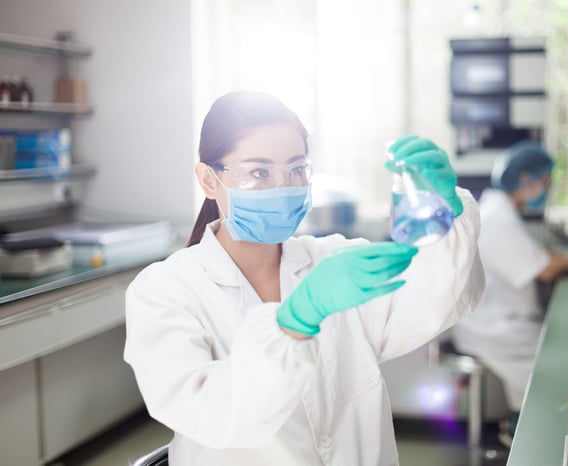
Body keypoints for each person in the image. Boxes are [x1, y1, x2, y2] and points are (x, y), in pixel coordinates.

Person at [123, 90, 485, 466]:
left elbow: (437, 299)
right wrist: (294, 321)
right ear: (209, 180)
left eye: (296, 169)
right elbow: (209, 415)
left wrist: (446, 211)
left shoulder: (334, 261)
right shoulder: (165, 290)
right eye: (259, 172)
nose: (283, 186)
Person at [451, 140, 568, 448]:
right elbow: (543, 268)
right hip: (497, 327)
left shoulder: (498, 208)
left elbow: (536, 254)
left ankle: (525, 427)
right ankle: (525, 435)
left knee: (563, 356)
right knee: (563, 368)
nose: (547, 188)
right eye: (545, 181)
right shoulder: (498, 220)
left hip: (497, 320)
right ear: (526, 180)